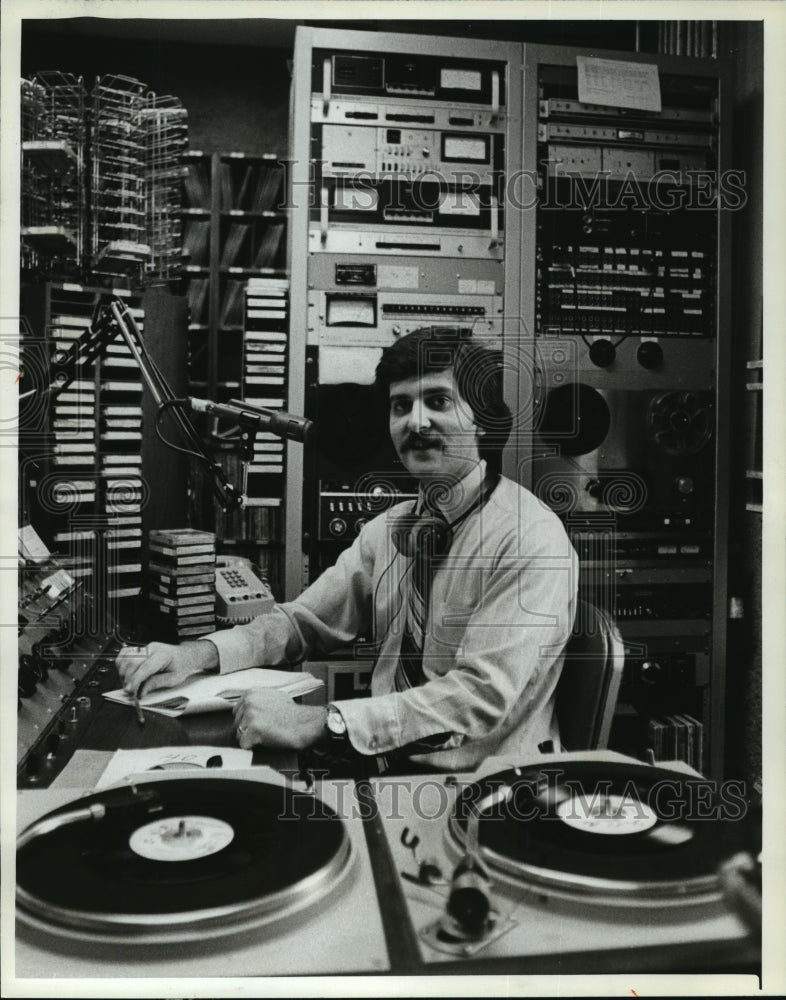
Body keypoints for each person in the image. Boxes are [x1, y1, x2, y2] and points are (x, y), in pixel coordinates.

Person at [117, 328, 578, 771]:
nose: (416, 422)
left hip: (483, 787)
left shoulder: (529, 537)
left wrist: (324, 721)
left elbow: (478, 696)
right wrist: (195, 655)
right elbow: (301, 622)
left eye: (438, 401)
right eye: (401, 406)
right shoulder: (390, 529)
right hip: (381, 762)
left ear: (482, 419)